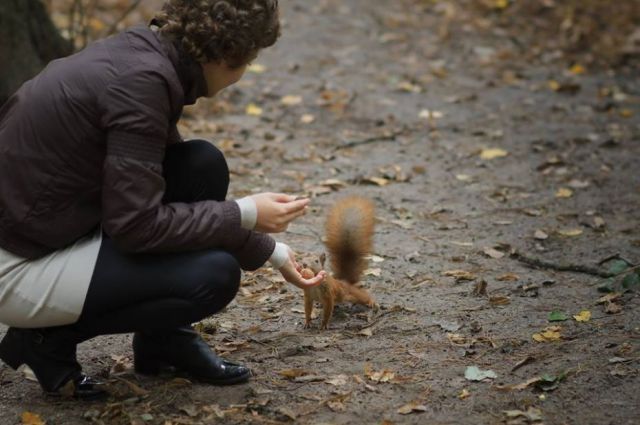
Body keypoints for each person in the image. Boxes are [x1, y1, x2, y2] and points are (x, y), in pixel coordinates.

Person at [0, 0, 325, 400]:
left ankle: (162, 342)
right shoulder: (143, 82)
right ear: (227, 56)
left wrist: (271, 250)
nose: (242, 76)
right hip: (16, 263)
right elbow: (137, 226)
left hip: (49, 225)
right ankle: (45, 339)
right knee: (212, 277)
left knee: (200, 166)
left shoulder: (145, 54)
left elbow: (149, 189)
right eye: (248, 62)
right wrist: (245, 213)